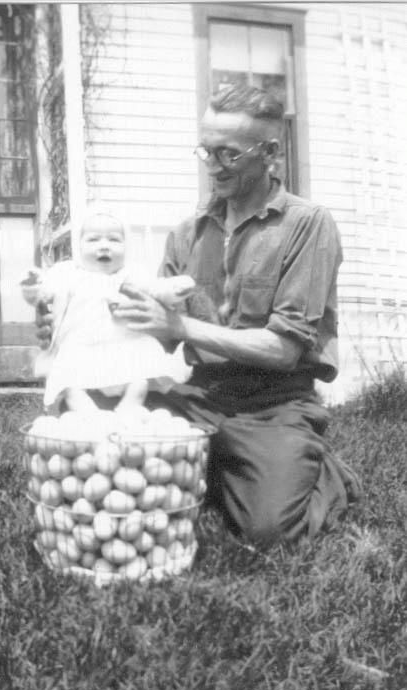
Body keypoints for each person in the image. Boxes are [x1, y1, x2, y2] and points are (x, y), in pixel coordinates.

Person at [36, 85, 361, 546]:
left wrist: (181, 326)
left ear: (270, 152)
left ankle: (318, 471)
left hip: (274, 404)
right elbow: (151, 331)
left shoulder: (308, 225)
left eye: (227, 154)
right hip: (197, 395)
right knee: (95, 427)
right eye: (206, 151)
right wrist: (68, 321)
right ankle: (218, 465)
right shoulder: (188, 232)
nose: (212, 165)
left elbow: (285, 349)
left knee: (266, 531)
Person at [22, 203, 193, 413]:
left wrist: (171, 288)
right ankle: (87, 413)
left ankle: (130, 405)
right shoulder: (66, 273)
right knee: (69, 382)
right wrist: (34, 286)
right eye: (93, 239)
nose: (104, 246)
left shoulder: (131, 274)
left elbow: (154, 289)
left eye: (114, 239)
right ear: (78, 245)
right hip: (80, 346)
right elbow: (44, 292)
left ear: (126, 245)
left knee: (140, 377)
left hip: (126, 344)